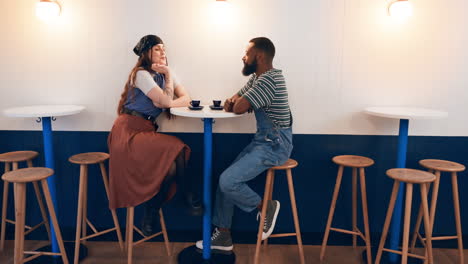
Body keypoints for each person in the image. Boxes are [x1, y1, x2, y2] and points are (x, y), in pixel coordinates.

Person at [196, 37, 293, 251]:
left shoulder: (269, 80)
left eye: (246, 53)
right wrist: (236, 103)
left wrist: (238, 103)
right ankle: (223, 235)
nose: (243, 57)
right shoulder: (257, 79)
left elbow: (238, 107)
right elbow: (233, 100)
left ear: (258, 56)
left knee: (228, 181)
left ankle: (265, 206)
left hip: (275, 144)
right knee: (226, 181)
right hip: (263, 140)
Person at [108, 34, 202, 236]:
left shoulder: (167, 74)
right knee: (176, 147)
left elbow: (187, 98)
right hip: (128, 131)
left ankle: (152, 210)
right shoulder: (141, 74)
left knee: (171, 169)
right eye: (157, 48)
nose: (163, 52)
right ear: (146, 52)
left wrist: (167, 81)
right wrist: (166, 99)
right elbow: (169, 102)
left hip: (146, 131)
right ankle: (188, 195)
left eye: (164, 49)